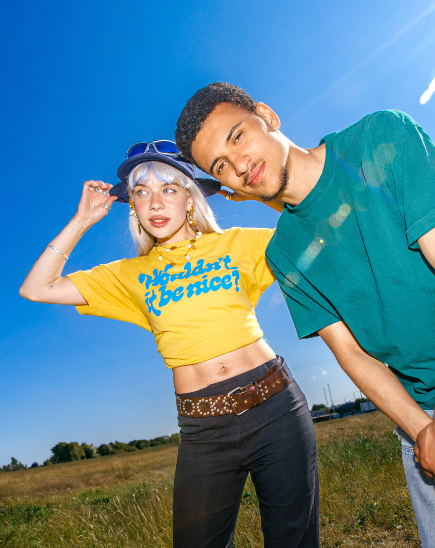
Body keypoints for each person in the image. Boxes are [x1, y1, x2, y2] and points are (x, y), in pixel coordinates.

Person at [175, 83, 435, 548]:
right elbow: (352, 354)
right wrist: (428, 434)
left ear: (267, 116)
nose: (238, 165)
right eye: (220, 166)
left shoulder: (380, 137)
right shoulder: (284, 254)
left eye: (237, 136)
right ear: (229, 191)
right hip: (421, 417)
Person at [19, 141, 320, 548]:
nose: (155, 202)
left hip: (275, 406)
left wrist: (252, 192)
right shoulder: (128, 274)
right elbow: (37, 289)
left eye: (169, 189)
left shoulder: (236, 244)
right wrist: (81, 220)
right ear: (133, 208)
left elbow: (312, 227)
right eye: (142, 192)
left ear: (191, 197)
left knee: (294, 540)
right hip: (203, 429)